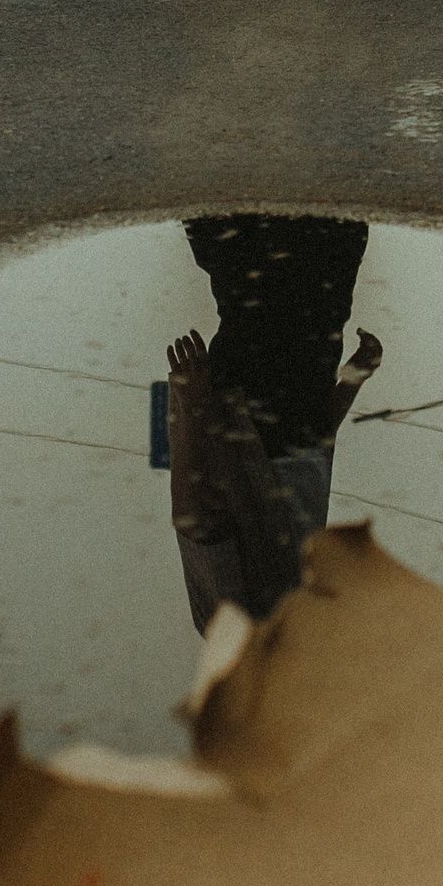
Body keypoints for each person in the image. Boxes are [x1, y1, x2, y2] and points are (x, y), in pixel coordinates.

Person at [165, 215, 383, 629]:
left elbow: (193, 520)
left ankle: (224, 197)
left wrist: (193, 405)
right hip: (302, 415)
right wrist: (351, 382)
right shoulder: (302, 613)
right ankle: (313, 193)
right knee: (327, 291)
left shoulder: (235, 627)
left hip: (250, 423)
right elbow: (308, 471)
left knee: (255, 293)